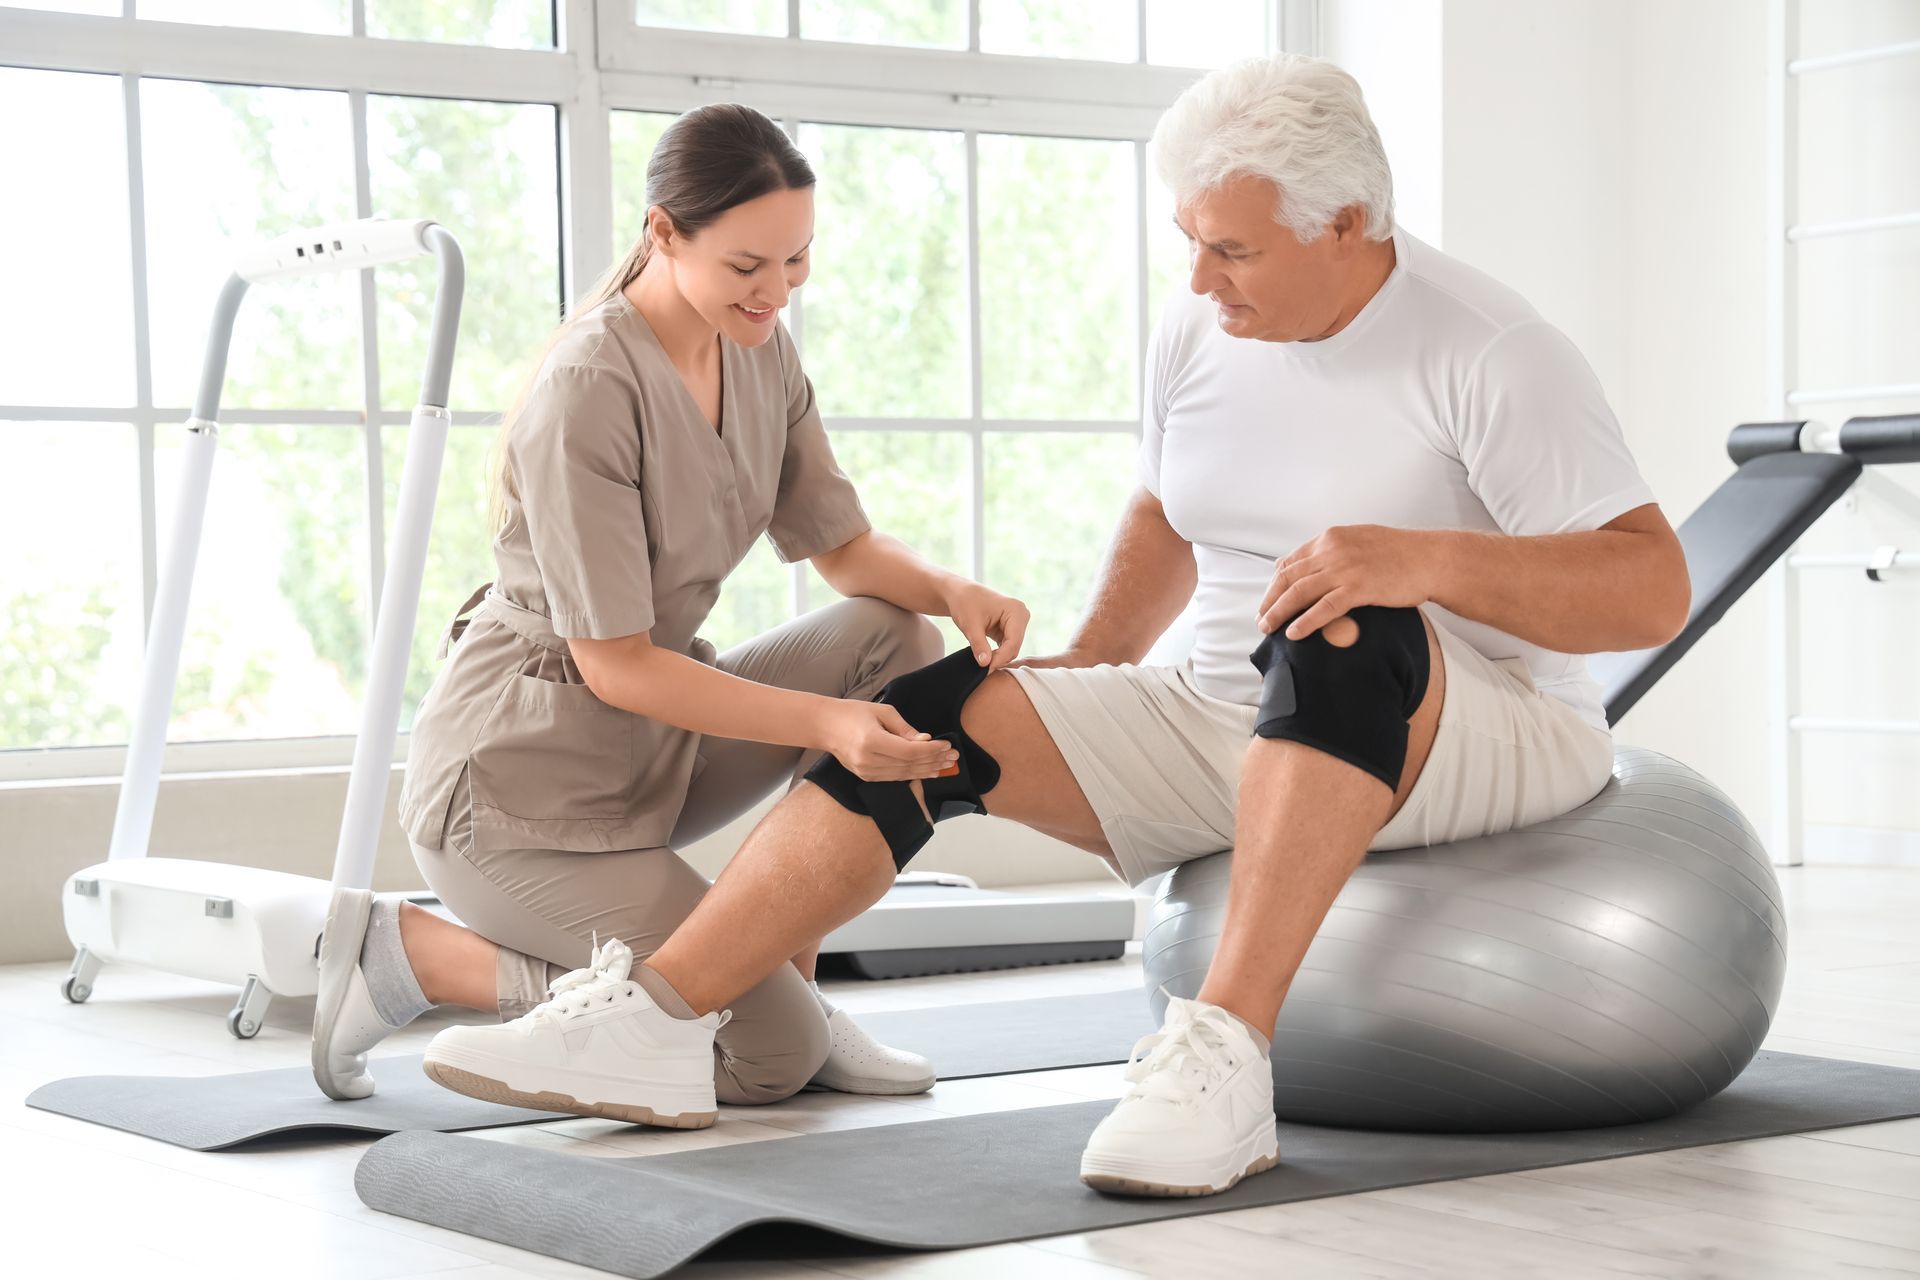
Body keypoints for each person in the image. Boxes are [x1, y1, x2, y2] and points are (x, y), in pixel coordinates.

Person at [411, 51, 1691, 1197]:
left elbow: (1649, 587)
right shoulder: (1202, 323)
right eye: (1190, 241)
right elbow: (1169, 505)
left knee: (1344, 626)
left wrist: (1415, 557)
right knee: (943, 706)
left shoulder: (1491, 348)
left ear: (1347, 223)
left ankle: (1224, 1057)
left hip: (1477, 718)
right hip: (1224, 710)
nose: (1196, 278)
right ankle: (651, 1018)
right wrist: (1088, 671)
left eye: (1231, 251)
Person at [309, 103, 1031, 1114]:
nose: (776, 291)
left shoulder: (762, 348)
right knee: (766, 1057)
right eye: (748, 266)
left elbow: (845, 550)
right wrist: (826, 723)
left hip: (650, 747)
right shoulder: (587, 388)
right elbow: (617, 665)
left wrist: (953, 591)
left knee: (893, 635)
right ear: (664, 232)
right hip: (518, 797)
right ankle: (414, 952)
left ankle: (795, 990)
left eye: (797, 261)